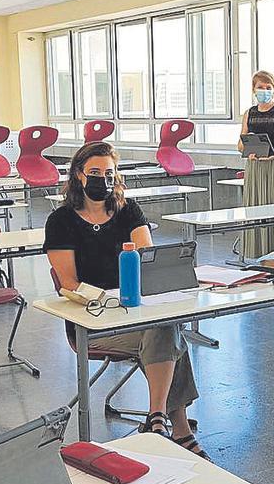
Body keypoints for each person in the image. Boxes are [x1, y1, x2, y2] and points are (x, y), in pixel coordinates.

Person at [44, 142, 208, 460]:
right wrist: (108, 303)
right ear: (78, 175)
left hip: (135, 311)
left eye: (109, 173)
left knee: (163, 329)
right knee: (169, 336)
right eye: (94, 173)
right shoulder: (61, 221)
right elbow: (69, 284)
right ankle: (177, 428)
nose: (102, 179)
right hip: (93, 320)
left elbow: (146, 261)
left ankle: (157, 420)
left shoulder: (128, 210)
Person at [237, 70, 274, 258]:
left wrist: (273, 156)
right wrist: (248, 149)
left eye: (268, 88)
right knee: (254, 207)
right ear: (254, 90)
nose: (264, 91)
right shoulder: (249, 113)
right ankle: (255, 255)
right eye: (260, 87)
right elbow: (240, 143)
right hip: (255, 167)